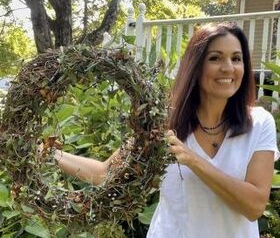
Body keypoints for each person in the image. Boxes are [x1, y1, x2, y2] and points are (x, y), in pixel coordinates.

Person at [46, 22, 279, 238]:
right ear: (196, 67)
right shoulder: (164, 123)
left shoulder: (259, 124)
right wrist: (47, 153)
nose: (228, 68)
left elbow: (254, 206)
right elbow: (105, 173)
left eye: (236, 59)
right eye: (215, 58)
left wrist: (194, 161)